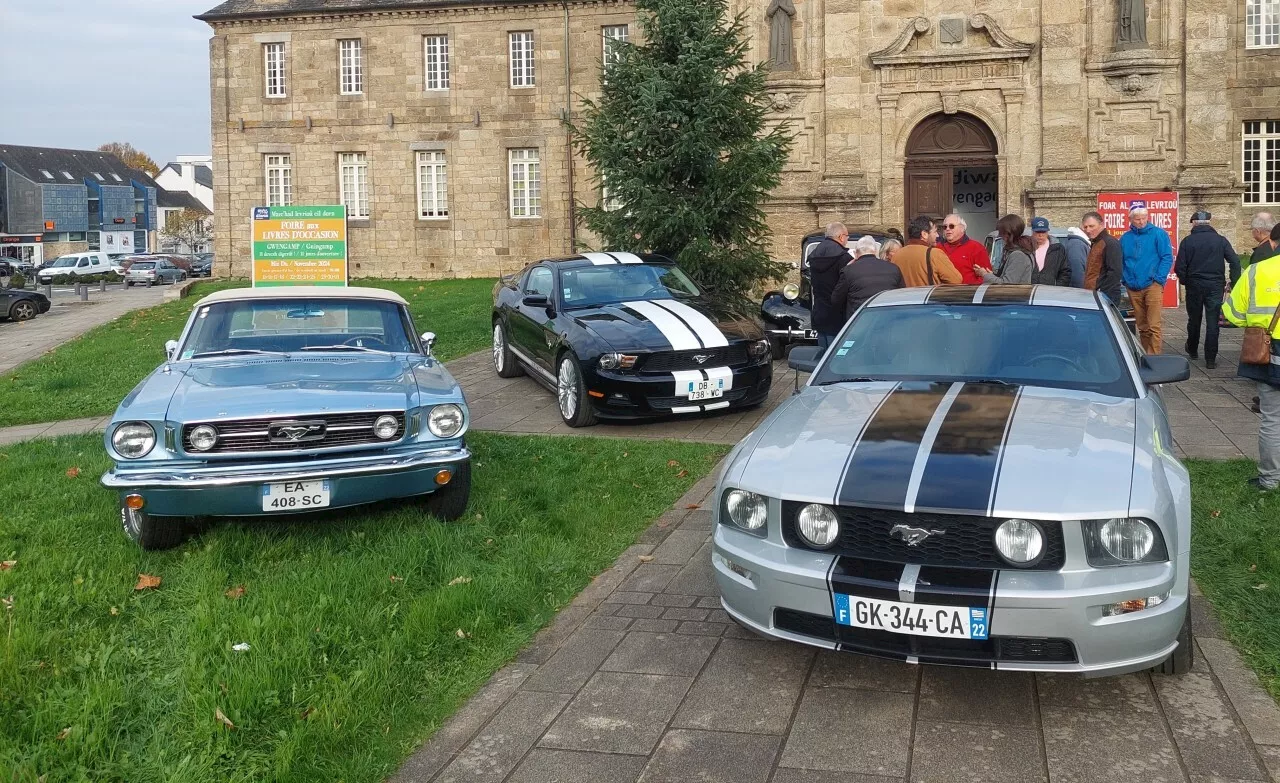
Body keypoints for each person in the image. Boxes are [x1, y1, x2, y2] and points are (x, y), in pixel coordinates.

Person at [1222, 253, 1280, 491]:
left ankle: (1270, 480)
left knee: (1272, 420)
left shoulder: (1257, 270)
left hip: (1269, 351)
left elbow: (1233, 313)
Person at [1175, 210, 1241, 369]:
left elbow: (1179, 266)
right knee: (1213, 322)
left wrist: (1186, 281)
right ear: (1210, 223)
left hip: (1194, 284)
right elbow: (1235, 262)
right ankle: (1210, 359)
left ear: (1193, 223)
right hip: (1215, 285)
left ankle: (1192, 349)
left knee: (1194, 319)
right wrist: (1234, 281)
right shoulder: (1221, 241)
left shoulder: (1187, 241)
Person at [1120, 206, 1174, 354]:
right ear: (1130, 220)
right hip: (1132, 286)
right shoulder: (1125, 238)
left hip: (1153, 285)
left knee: (1154, 325)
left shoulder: (1158, 234)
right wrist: (1125, 279)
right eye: (1137, 219)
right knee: (1142, 325)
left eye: (1144, 218)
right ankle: (1145, 354)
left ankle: (1155, 356)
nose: (1141, 221)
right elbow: (1121, 260)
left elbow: (1167, 257)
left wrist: (1159, 279)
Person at [832, 234, 904, 322]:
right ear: (875, 251)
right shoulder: (893, 268)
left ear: (856, 253)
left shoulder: (848, 271)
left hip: (859, 321)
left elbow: (836, 300)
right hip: (887, 319)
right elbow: (901, 295)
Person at [807, 222, 852, 349]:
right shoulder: (843, 258)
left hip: (819, 310)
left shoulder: (814, 255)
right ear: (841, 237)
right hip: (838, 313)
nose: (847, 240)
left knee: (822, 353)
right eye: (847, 236)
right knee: (835, 354)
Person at [892, 215, 962, 287]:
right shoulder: (934, 254)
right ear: (924, 234)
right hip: (926, 297)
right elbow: (956, 279)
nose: (937, 235)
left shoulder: (896, 255)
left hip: (904, 298)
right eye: (935, 232)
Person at [978, 214, 1034, 284]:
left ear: (1008, 233)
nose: (999, 235)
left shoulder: (1018, 255)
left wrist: (985, 275)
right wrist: (991, 275)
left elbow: (1007, 284)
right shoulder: (1014, 252)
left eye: (1001, 232)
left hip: (1015, 294)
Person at [1082, 211, 1124, 304]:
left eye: (1091, 226)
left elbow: (1115, 272)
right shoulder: (1096, 242)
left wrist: (1102, 293)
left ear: (1101, 224)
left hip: (1104, 296)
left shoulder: (1110, 243)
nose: (1088, 230)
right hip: (1093, 295)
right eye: (1085, 227)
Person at [937, 214, 991, 285]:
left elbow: (986, 277)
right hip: (939, 293)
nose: (947, 229)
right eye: (945, 227)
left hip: (966, 293)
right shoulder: (937, 248)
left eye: (951, 226)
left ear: (962, 228)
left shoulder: (976, 248)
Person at [1029, 217, 1072, 286]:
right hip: (1030, 291)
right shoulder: (1026, 248)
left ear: (1047, 232)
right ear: (1032, 232)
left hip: (1051, 292)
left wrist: (1057, 288)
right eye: (1038, 232)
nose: (1040, 235)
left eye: (1043, 232)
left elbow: (1065, 272)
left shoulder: (1058, 248)